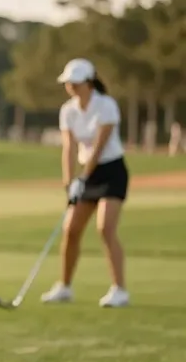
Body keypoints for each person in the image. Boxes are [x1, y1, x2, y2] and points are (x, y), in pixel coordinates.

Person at [41, 57, 130, 308]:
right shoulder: (67, 111)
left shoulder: (106, 105)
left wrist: (83, 177)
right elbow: (69, 147)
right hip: (86, 175)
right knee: (71, 230)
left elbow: (100, 146)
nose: (71, 87)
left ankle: (120, 289)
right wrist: (69, 181)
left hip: (112, 171)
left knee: (105, 228)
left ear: (89, 83)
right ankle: (65, 286)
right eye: (68, 83)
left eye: (75, 83)